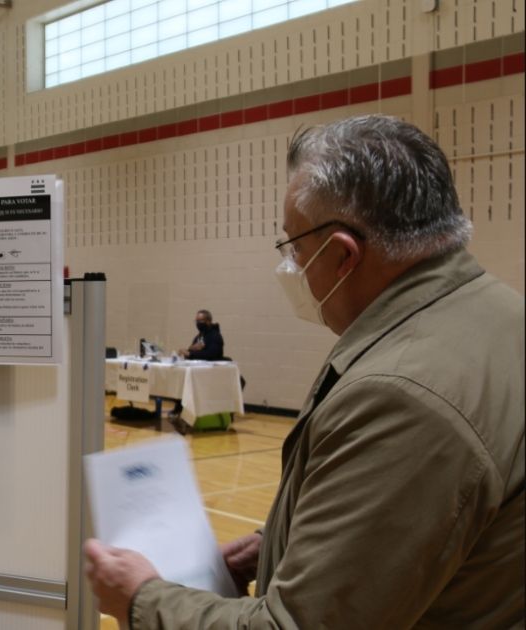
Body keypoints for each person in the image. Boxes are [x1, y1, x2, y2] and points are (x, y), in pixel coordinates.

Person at [84, 115, 525, 628]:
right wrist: (277, 547)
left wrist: (141, 599)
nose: (292, 267)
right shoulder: (496, 315)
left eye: (294, 248)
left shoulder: (401, 397)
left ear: (342, 254)